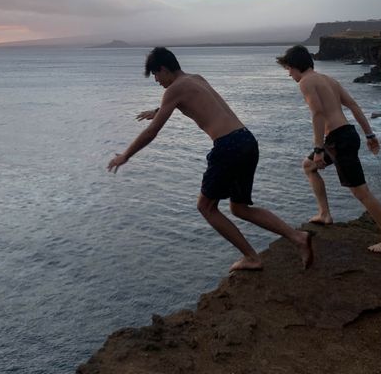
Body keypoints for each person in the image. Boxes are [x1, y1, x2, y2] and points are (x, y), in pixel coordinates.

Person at [107, 47, 314, 272]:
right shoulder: (196, 79)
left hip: (228, 146)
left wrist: (125, 155)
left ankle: (252, 258)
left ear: (164, 69)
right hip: (246, 140)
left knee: (205, 206)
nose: (156, 81)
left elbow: (152, 132)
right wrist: (158, 110)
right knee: (240, 207)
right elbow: (194, 100)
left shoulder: (173, 90)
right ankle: (298, 237)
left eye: (156, 75)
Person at [276, 44, 381, 253]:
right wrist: (369, 134)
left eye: (289, 68)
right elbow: (353, 105)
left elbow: (317, 114)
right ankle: (324, 214)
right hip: (345, 135)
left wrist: (318, 149)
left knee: (361, 192)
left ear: (297, 66)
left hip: (339, 140)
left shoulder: (306, 82)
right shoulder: (329, 80)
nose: (289, 74)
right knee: (308, 167)